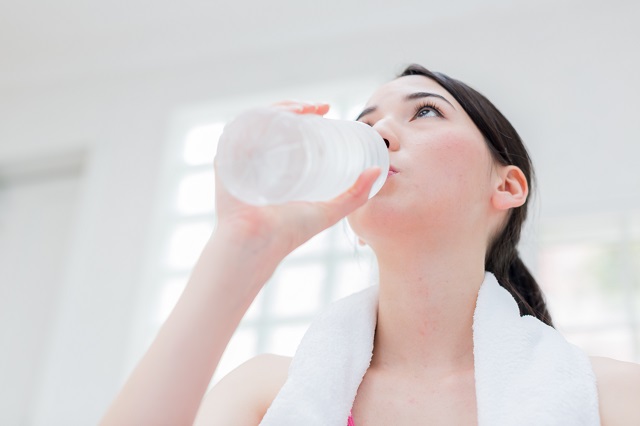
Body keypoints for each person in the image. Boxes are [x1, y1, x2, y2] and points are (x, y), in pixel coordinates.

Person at [101, 65, 640, 425]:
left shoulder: (609, 397)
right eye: (366, 123)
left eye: (425, 111)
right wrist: (238, 247)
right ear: (354, 223)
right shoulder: (265, 394)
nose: (379, 133)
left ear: (506, 186)